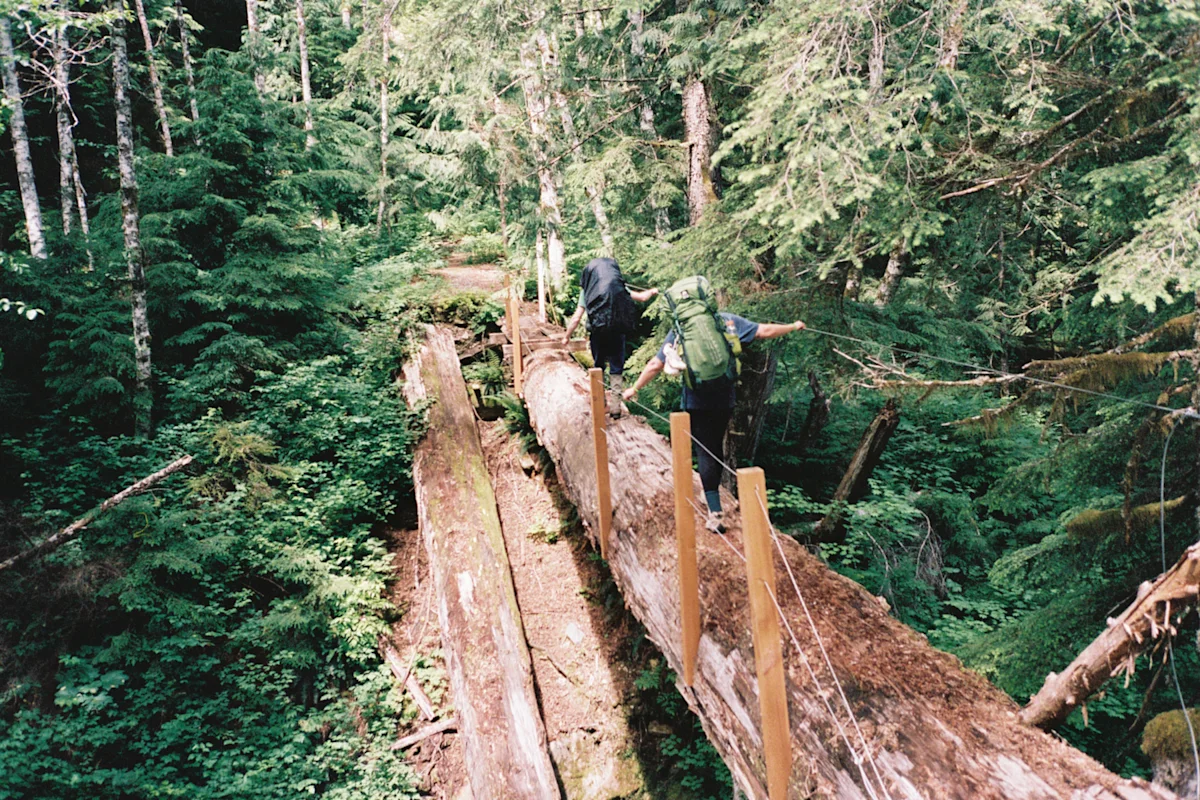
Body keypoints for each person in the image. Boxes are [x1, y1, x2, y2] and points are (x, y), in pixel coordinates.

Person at [622, 304, 804, 532]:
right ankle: (713, 498)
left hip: (695, 400)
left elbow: (656, 364)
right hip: (724, 398)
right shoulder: (728, 321)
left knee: (704, 449)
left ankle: (715, 512)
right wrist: (792, 326)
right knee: (715, 446)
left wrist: (634, 388)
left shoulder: (682, 328)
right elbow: (763, 331)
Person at [562, 257, 658, 414]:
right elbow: (641, 297)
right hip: (617, 331)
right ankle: (615, 408)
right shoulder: (617, 286)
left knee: (598, 365)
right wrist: (653, 291)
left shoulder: (588, 290)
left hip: (597, 332)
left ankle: (601, 403)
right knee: (616, 368)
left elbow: (576, 317)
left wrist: (566, 337)